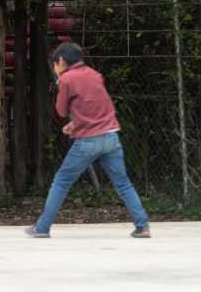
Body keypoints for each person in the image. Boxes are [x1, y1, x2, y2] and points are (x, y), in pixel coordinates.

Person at [25, 42, 150, 239]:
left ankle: (42, 228)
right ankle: (142, 226)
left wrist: (60, 81)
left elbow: (61, 110)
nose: (55, 68)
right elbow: (96, 107)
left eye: (55, 64)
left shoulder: (67, 79)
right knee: (123, 183)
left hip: (88, 142)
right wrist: (75, 124)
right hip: (111, 137)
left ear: (62, 61)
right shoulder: (94, 74)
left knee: (61, 181)